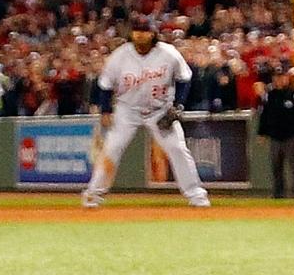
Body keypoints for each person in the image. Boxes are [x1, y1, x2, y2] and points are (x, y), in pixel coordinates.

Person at [83, 22, 211, 210]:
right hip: (127, 110)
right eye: (137, 31)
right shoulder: (120, 56)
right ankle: (93, 194)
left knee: (177, 148)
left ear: (153, 34)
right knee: (111, 149)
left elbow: (184, 78)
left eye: (144, 32)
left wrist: (177, 105)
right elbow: (105, 86)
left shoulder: (168, 53)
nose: (140, 35)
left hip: (160, 110)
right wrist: (105, 110)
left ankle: (197, 195)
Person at [256, 69, 294, 199]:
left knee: (293, 164)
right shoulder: (270, 95)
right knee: (276, 164)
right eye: (276, 77)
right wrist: (262, 133)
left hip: (291, 134)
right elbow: (264, 115)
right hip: (275, 134)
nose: (279, 80)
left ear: (286, 78)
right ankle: (278, 193)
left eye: (281, 77)